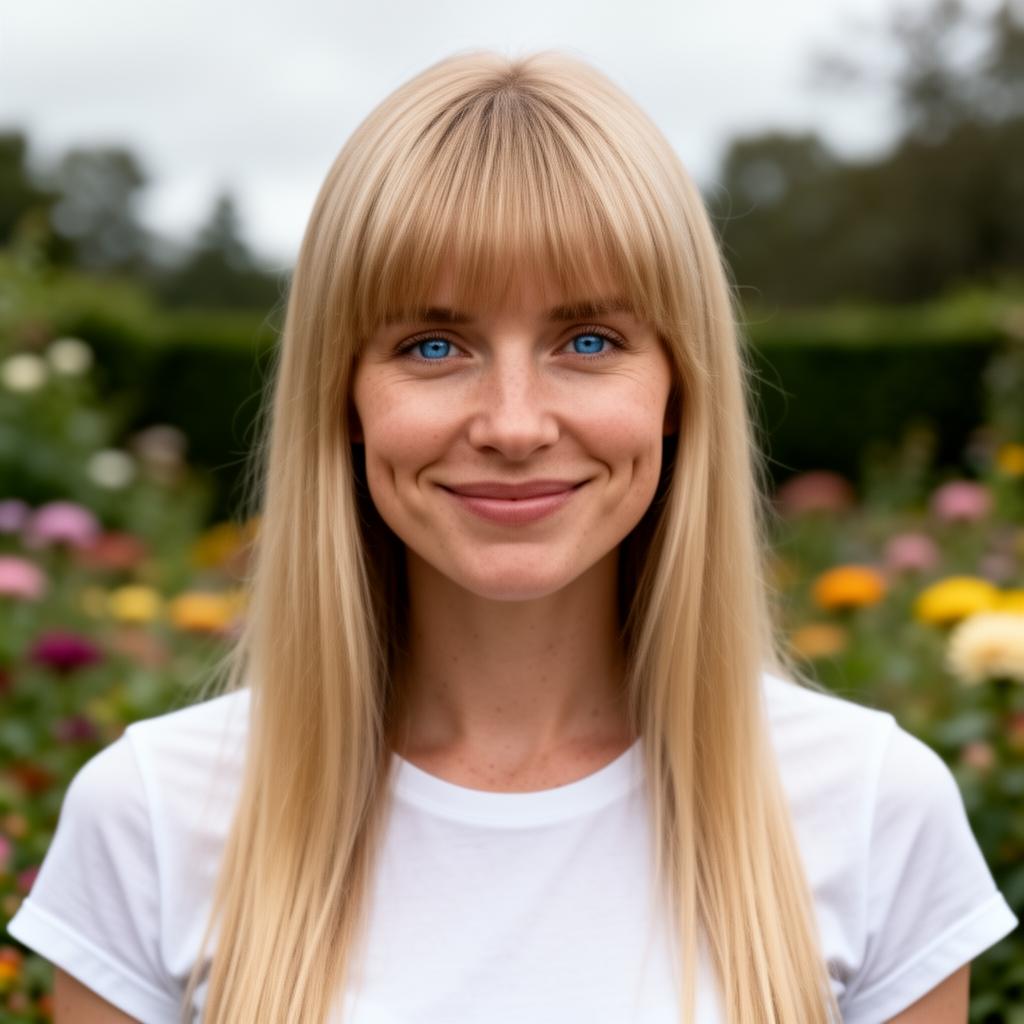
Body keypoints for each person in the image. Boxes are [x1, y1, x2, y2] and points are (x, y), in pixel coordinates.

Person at [5, 49, 1018, 1024]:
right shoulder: (151, 818)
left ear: (678, 387)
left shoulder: (872, 809)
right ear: (343, 395)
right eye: (433, 345)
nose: (515, 423)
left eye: (588, 341)